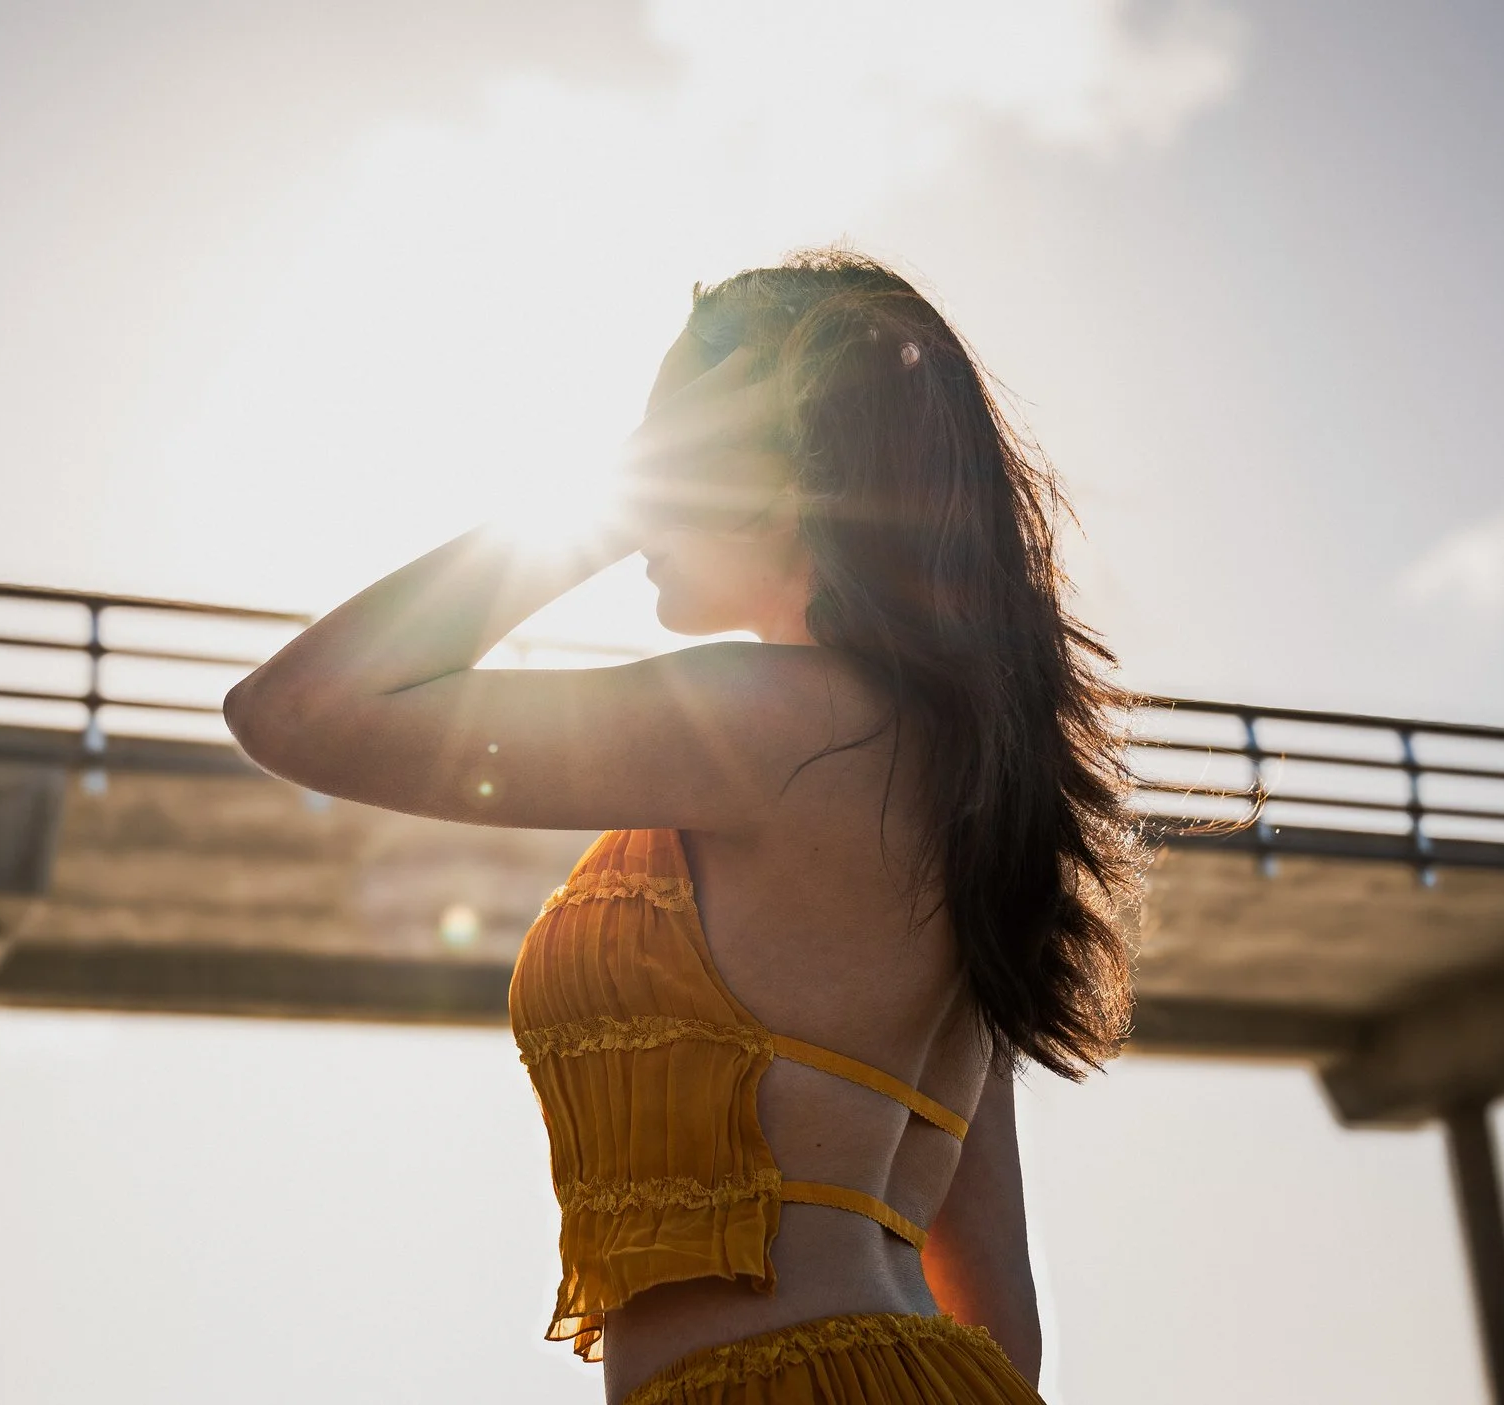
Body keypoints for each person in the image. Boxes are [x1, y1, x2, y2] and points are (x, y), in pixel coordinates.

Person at [224, 250, 1137, 1405]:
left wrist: (616, 501)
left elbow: (297, 709)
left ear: (774, 454)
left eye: (672, 435)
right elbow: (1000, 1317)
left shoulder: (773, 721)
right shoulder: (962, 781)